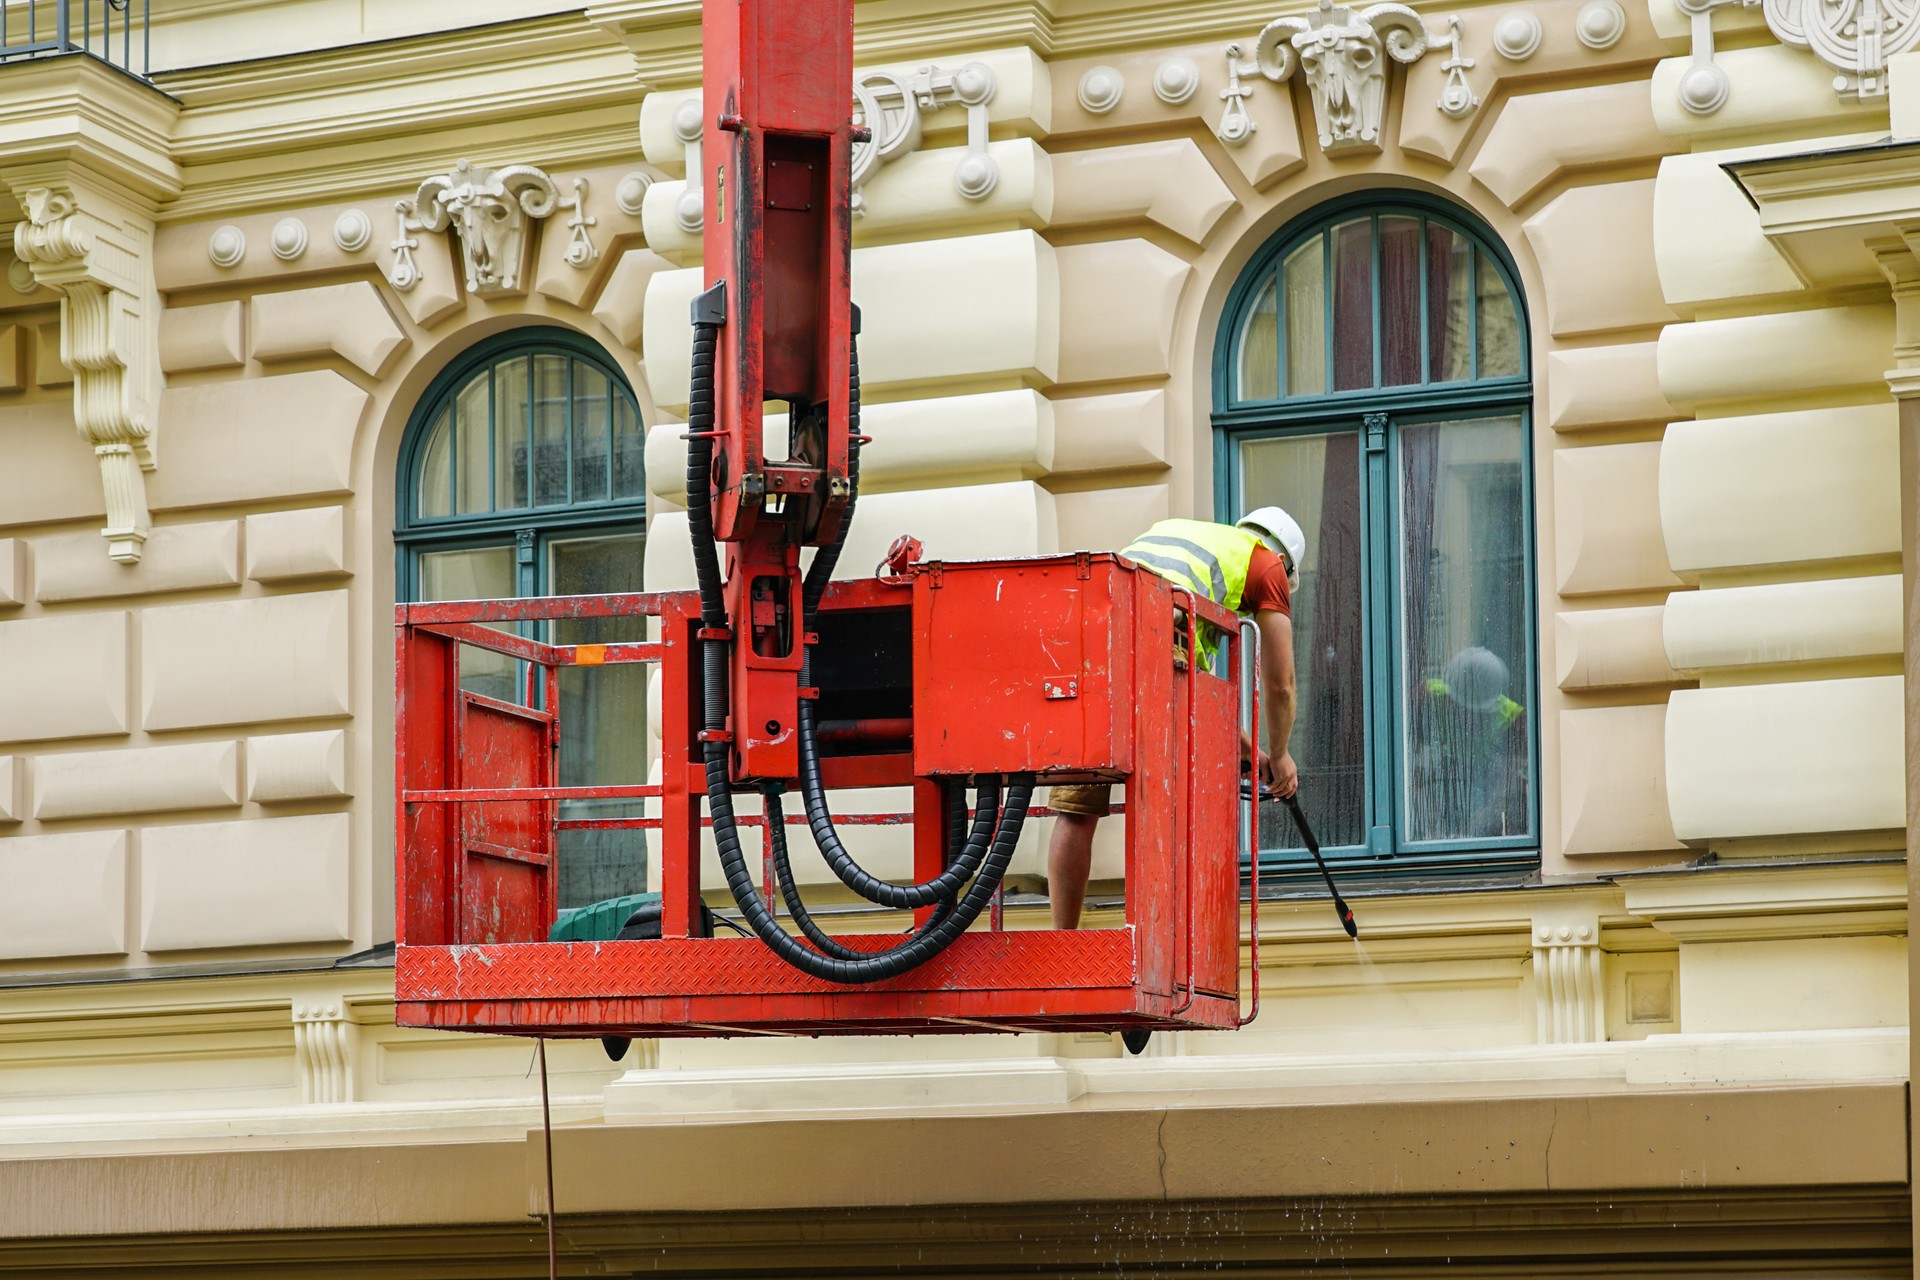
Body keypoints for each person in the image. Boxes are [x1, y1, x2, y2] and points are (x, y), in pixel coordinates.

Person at [1046, 508, 1304, 931]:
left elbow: (1193, 684)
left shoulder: (1195, 544)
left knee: (1078, 805)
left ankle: (1062, 936)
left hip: (1088, 639)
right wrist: (1280, 755)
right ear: (1283, 559)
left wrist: (1249, 750)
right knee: (1164, 799)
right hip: (1151, 638)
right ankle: (1157, 935)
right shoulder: (1265, 564)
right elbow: (1281, 685)